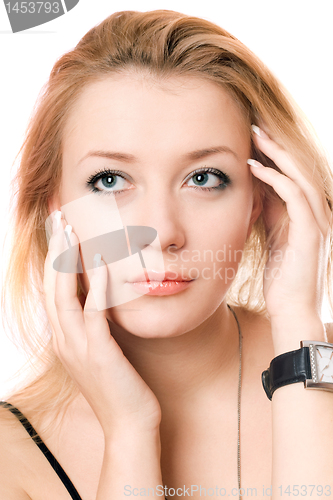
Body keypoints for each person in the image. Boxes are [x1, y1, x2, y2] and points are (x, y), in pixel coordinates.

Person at [1, 9, 333, 500]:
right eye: (110, 181)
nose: (162, 234)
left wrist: (298, 326)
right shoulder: (12, 456)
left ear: (263, 198)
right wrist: (129, 433)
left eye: (203, 178)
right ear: (54, 206)